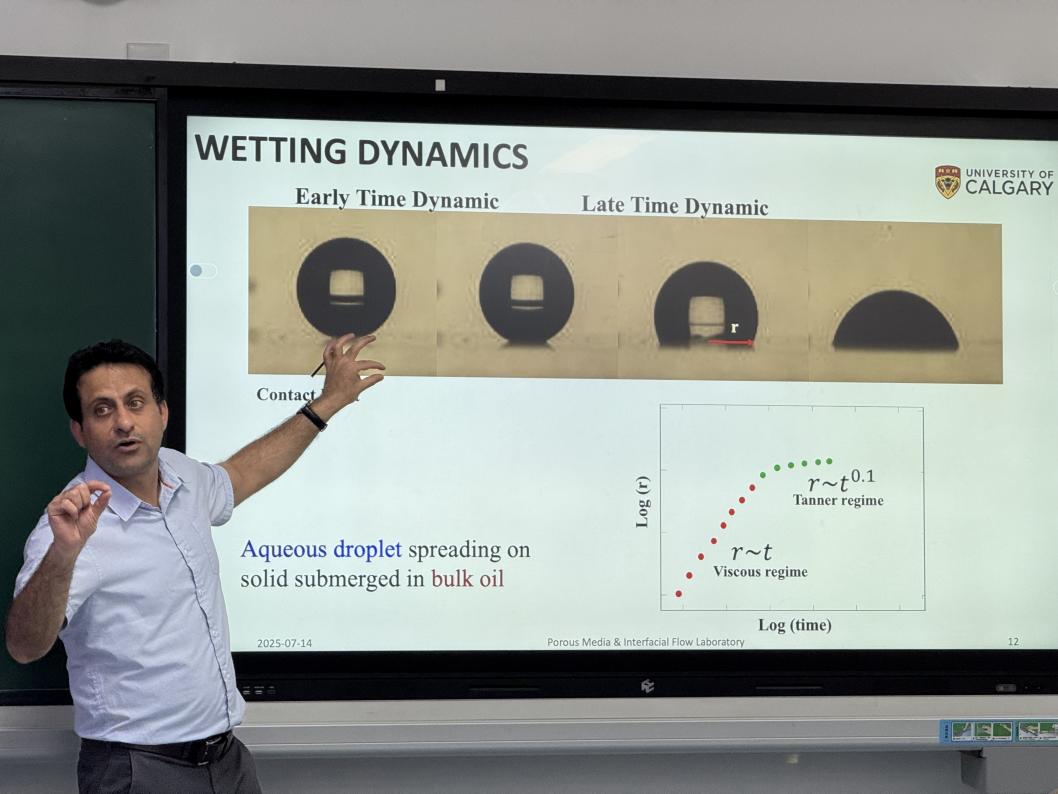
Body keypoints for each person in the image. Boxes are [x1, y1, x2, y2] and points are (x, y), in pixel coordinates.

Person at [5, 334, 383, 794]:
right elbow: (24, 646)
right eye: (102, 410)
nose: (124, 422)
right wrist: (64, 554)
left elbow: (243, 472)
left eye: (136, 403)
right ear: (80, 431)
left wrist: (327, 403)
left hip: (228, 760)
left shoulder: (181, 474)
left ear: (162, 413)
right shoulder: (68, 528)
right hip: (137, 771)